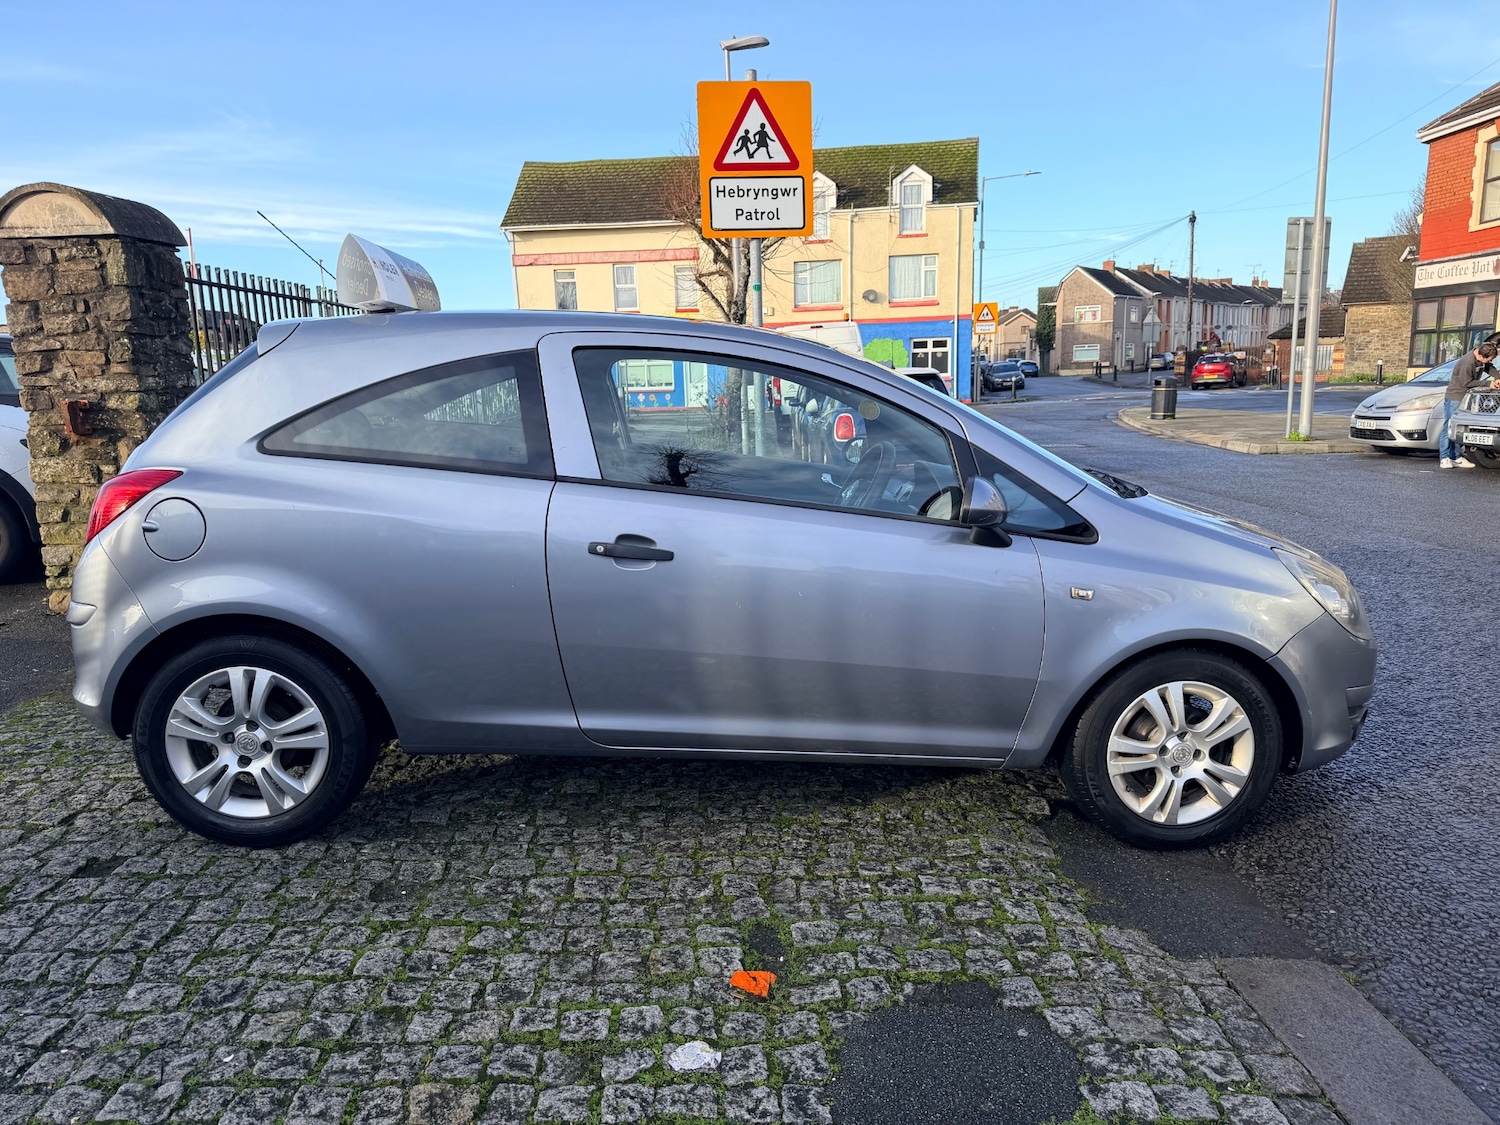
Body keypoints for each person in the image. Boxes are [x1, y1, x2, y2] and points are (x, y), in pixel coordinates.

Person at [1441, 340, 1500, 468]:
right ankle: (1444, 457)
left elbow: (1489, 367)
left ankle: (1457, 457)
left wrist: (1497, 377)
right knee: (1449, 427)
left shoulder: (1481, 359)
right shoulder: (1467, 363)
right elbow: (1466, 383)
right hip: (1455, 397)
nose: (1491, 361)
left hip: (1465, 398)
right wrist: (1488, 384)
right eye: (1490, 359)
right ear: (1482, 356)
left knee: (1458, 429)